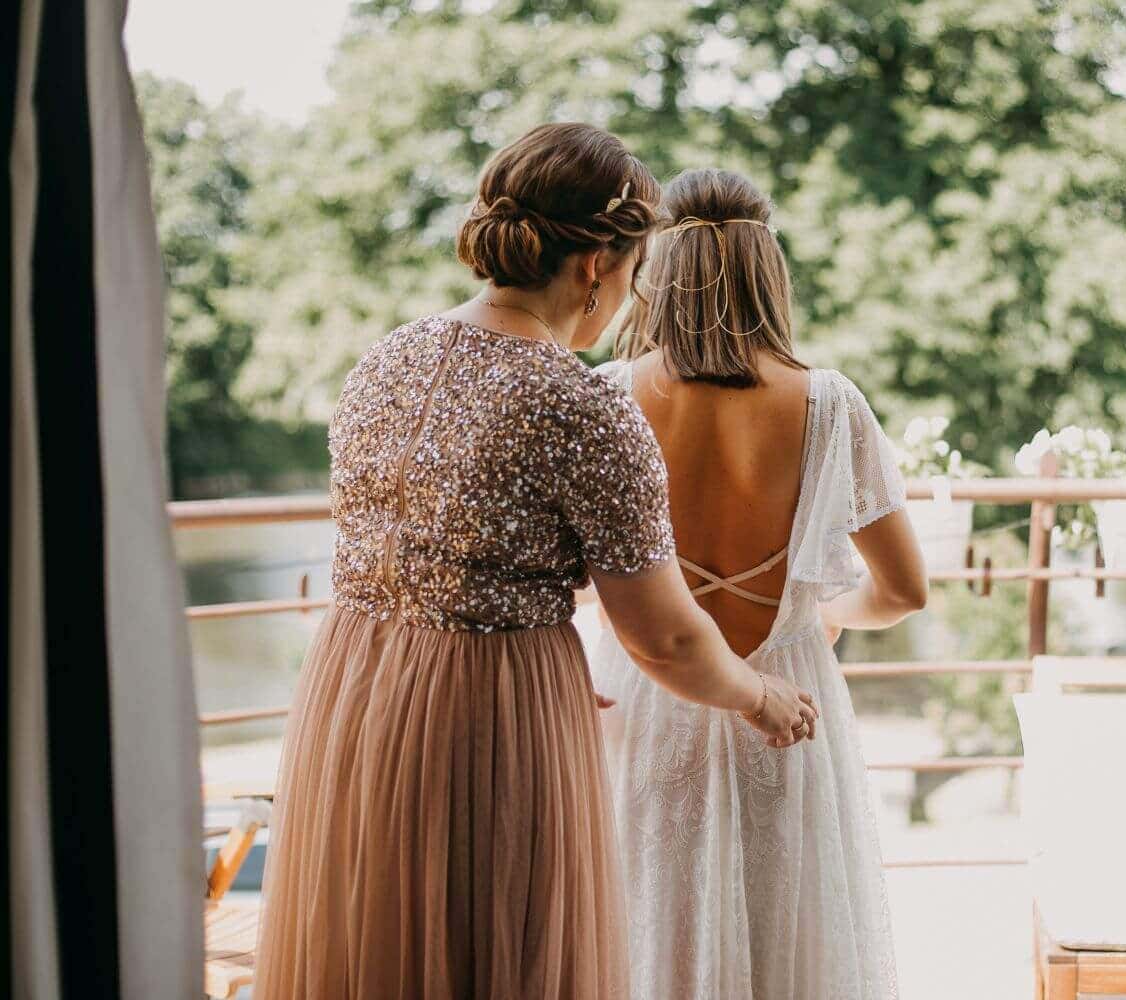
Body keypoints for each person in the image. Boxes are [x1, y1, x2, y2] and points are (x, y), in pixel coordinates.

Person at [255, 126, 818, 1000]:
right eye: (635, 267)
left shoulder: (383, 359)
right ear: (597, 263)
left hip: (356, 688)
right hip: (488, 711)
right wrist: (760, 697)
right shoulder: (580, 404)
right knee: (493, 944)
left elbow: (417, 543)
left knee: (383, 944)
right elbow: (665, 637)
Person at [593, 168, 928, 999]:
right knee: (792, 949)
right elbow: (904, 591)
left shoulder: (603, 399)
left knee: (647, 939)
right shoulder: (829, 404)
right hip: (789, 708)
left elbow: (578, 589)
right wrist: (822, 616)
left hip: (645, 705)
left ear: (655, 275)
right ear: (767, 275)